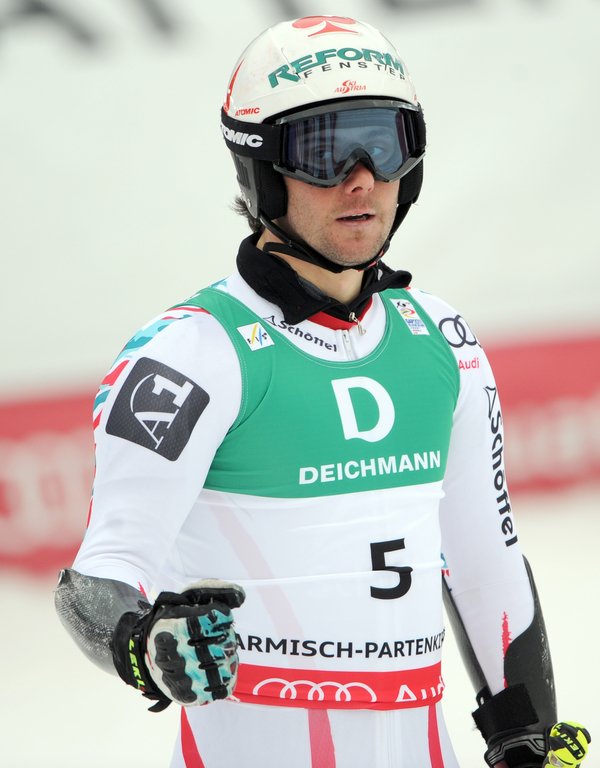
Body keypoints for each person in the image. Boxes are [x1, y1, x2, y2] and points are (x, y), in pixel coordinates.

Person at [55, 15, 565, 768]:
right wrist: (143, 643)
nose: (361, 179)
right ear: (262, 171)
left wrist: (528, 738)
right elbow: (96, 582)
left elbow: (486, 560)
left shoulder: (442, 340)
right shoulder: (192, 354)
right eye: (324, 152)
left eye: (384, 145)